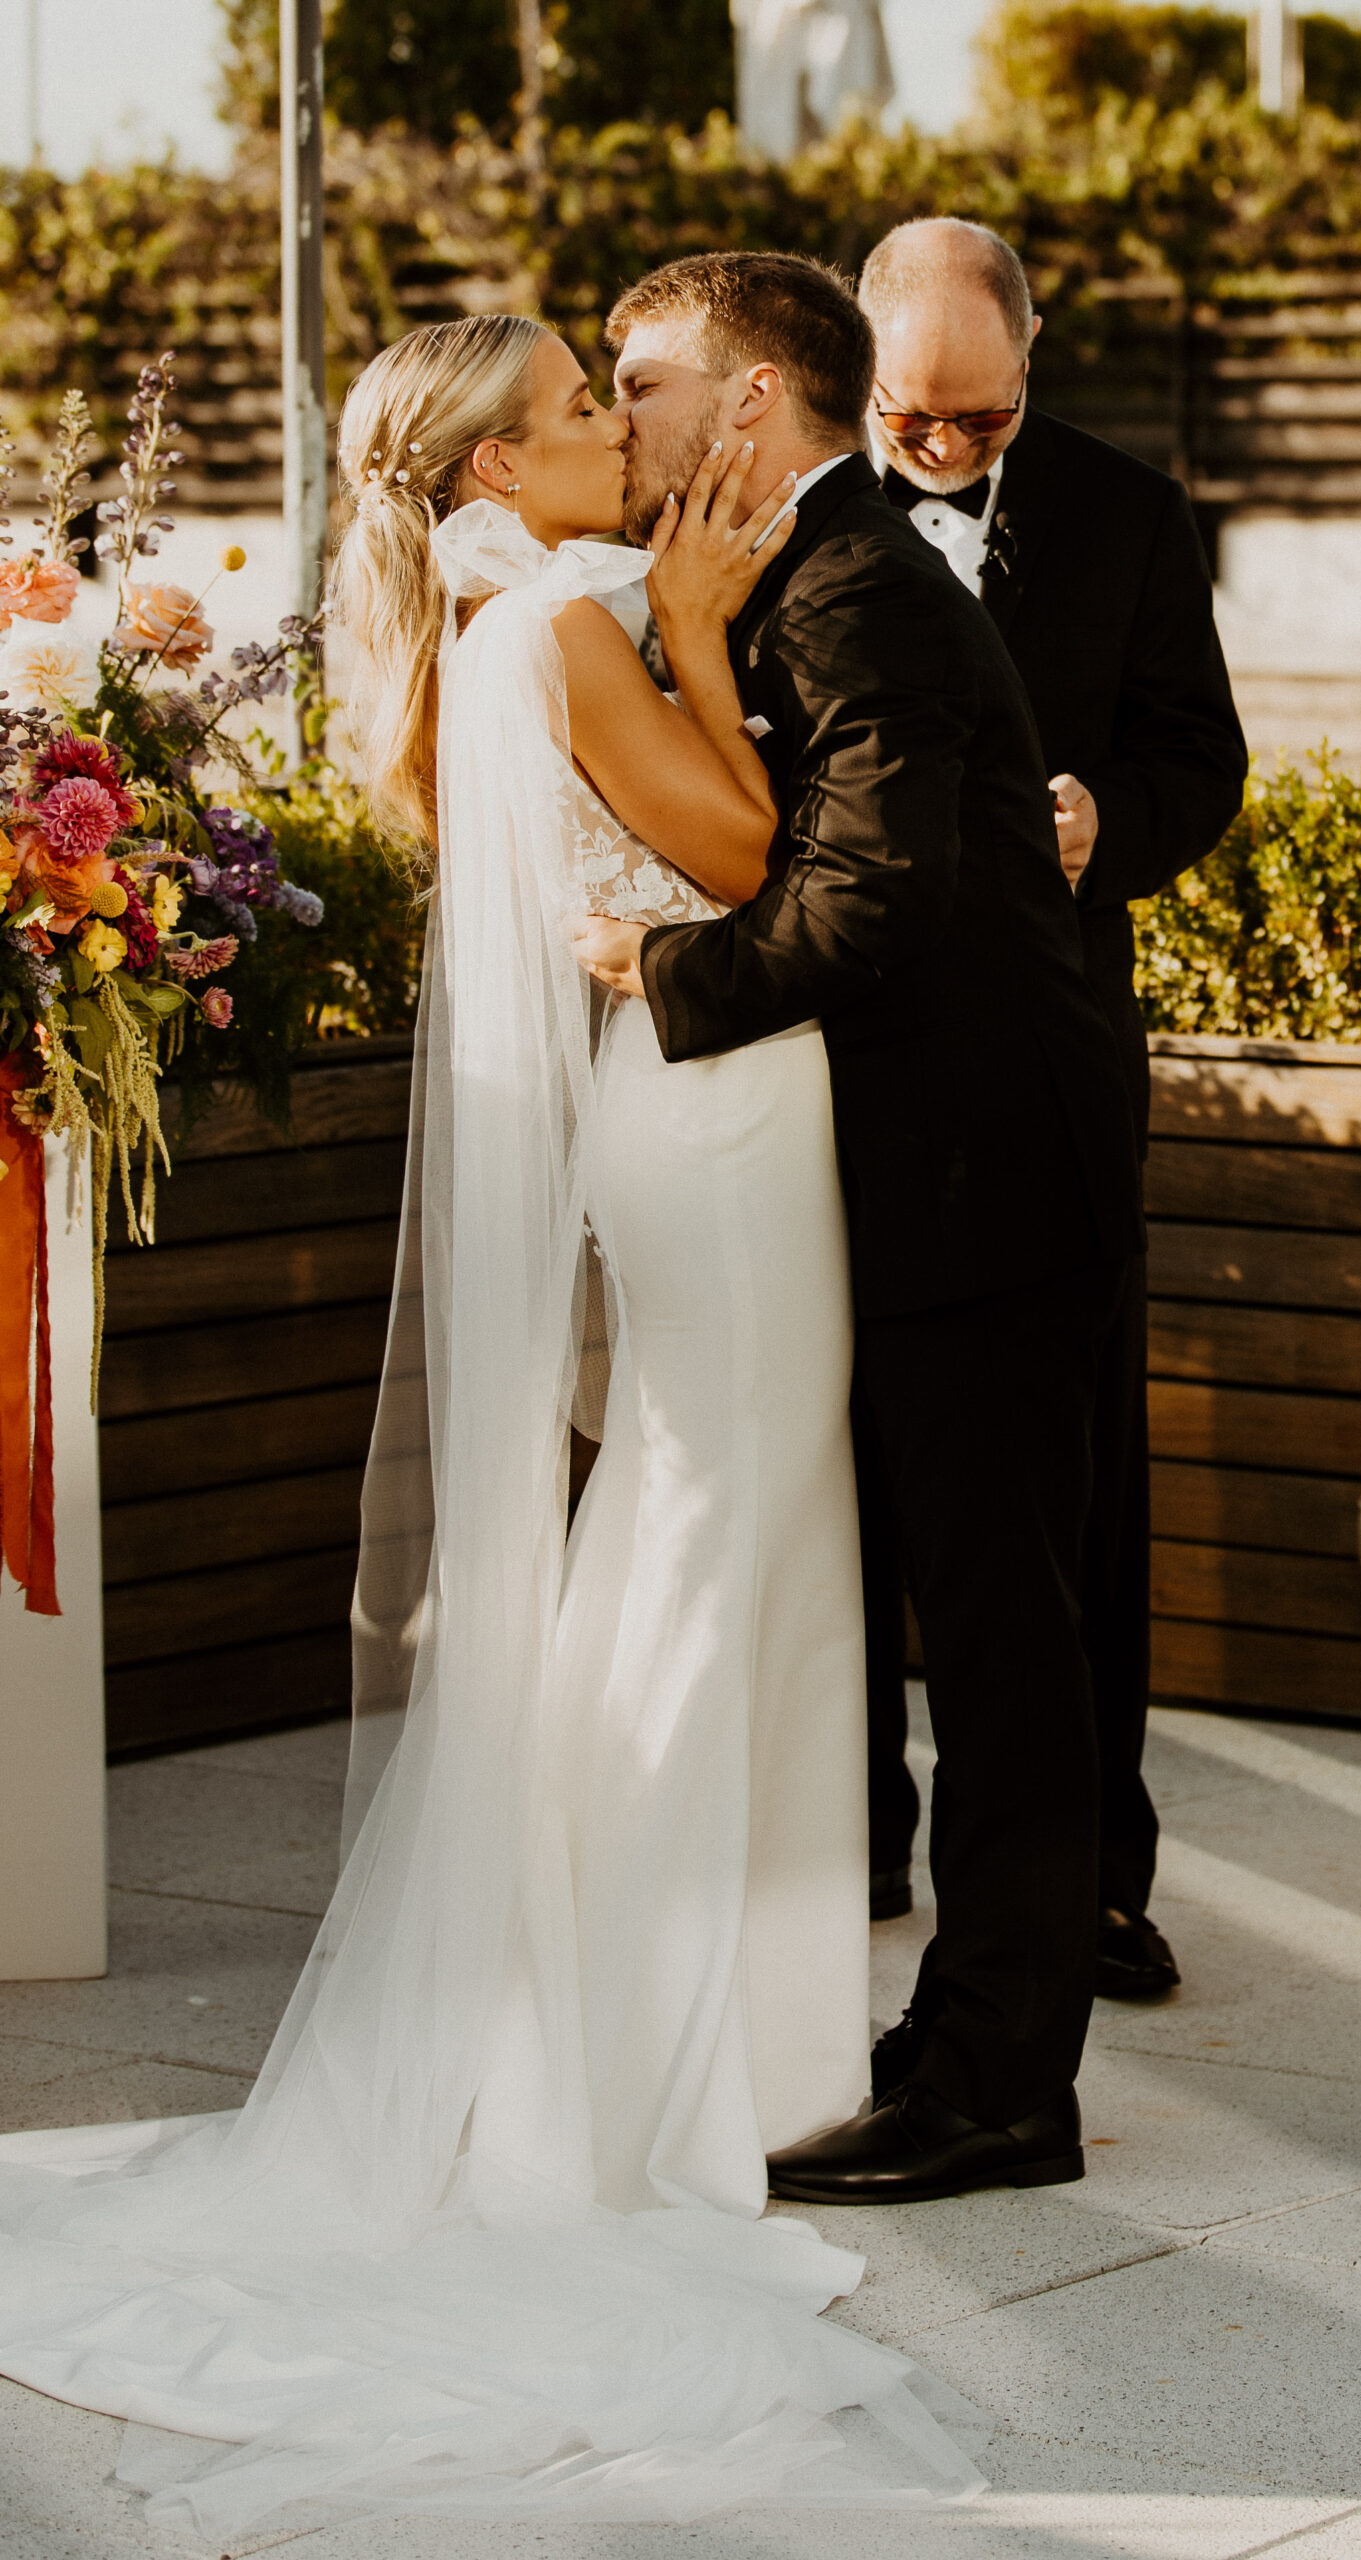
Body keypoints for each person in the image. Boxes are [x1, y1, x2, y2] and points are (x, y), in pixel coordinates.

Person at [0, 313, 980, 2534]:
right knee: (722, 1538)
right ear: (495, 473)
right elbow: (737, 856)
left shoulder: (484, 615)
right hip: (715, 1119)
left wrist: (689, 623)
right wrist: (715, 637)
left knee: (715, 1527)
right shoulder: (560, 617)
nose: (607, 436)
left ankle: (688, 2016)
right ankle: (634, 2047)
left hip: (688, 1112)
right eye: (569, 415)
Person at [576, 250, 1144, 2207]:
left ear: (745, 405)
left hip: (987, 1180)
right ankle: (944, 2042)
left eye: (637, 378)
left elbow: (866, 902)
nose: (614, 408)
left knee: (1001, 1644)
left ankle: (997, 2081)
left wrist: (646, 966)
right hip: (925, 1169)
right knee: (972, 1627)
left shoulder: (860, 591)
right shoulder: (791, 576)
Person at [855, 216, 1248, 1997]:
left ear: (1034, 355)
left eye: (977, 421)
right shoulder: (776, 506)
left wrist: (1112, 835)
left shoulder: (1129, 512)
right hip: (830, 1059)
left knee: (1078, 1496)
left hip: (1049, 1069)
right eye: (910, 416)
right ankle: (847, 1832)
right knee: (827, 1474)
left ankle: (1094, 1877)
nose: (939, 448)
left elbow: (1202, 760)